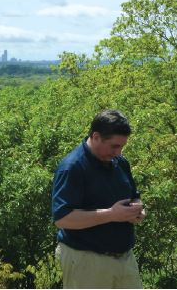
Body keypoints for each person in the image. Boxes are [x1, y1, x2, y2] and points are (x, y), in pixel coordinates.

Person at [52, 109, 146, 289]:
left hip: (126, 259)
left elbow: (135, 198)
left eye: (122, 146)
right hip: (86, 261)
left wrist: (137, 211)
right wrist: (111, 214)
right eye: (114, 146)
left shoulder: (120, 163)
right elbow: (62, 218)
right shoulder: (72, 167)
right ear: (95, 136)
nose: (119, 152)